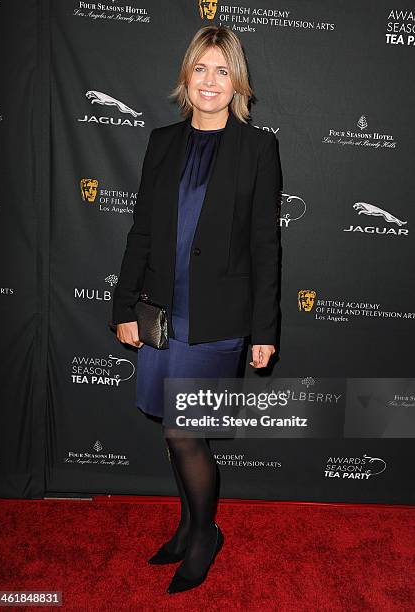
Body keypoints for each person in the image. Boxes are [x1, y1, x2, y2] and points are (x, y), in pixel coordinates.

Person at [111, 25, 282, 594]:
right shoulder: (162, 142)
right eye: (200, 69)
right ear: (187, 76)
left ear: (238, 82)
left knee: (187, 431)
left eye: (222, 70)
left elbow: (264, 245)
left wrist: (264, 327)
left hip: (218, 319)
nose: (210, 81)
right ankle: (188, 526)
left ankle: (206, 534)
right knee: (173, 431)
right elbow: (141, 231)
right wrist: (124, 304)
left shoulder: (258, 148)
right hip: (161, 312)